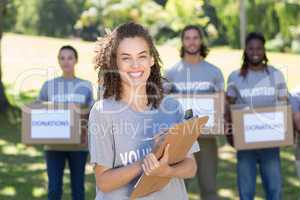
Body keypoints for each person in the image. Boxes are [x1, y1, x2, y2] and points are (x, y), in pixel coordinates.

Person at [88, 22, 199, 200]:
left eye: (142, 56)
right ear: (114, 62)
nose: (135, 65)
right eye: (126, 58)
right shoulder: (103, 112)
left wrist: (167, 170)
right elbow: (104, 182)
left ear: (151, 59)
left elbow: (191, 167)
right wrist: (147, 161)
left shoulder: (172, 107)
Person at [225, 32, 288, 200]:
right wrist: (229, 132)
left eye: (259, 48)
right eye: (251, 48)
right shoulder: (234, 77)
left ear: (264, 50)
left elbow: (284, 105)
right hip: (246, 144)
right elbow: (227, 106)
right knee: (246, 192)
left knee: (274, 190)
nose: (255, 52)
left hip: (271, 142)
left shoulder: (276, 75)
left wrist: (287, 133)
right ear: (245, 50)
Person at [164, 25, 224, 200]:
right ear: (182, 42)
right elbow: (165, 106)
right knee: (179, 188)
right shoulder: (171, 73)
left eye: (195, 37)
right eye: (187, 38)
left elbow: (220, 106)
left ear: (201, 40)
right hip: (180, 139)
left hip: (206, 137)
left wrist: (219, 124)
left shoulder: (214, 72)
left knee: (209, 187)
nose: (192, 42)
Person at [38, 45, 94, 200]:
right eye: (62, 58)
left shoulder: (86, 86)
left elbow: (93, 114)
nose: (66, 61)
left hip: (79, 146)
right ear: (58, 61)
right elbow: (38, 113)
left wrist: (86, 134)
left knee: (78, 190)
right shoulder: (48, 86)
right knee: (54, 189)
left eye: (70, 57)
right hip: (53, 145)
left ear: (76, 60)